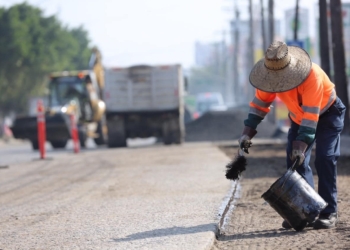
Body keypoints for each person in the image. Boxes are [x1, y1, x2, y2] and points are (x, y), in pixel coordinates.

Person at [239, 41, 346, 230]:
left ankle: (329, 212)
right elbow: (260, 104)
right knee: (296, 164)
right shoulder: (269, 78)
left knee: (325, 157)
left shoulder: (311, 74)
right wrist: (248, 132)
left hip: (328, 114)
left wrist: (301, 144)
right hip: (299, 119)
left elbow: (311, 115)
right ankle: (304, 211)